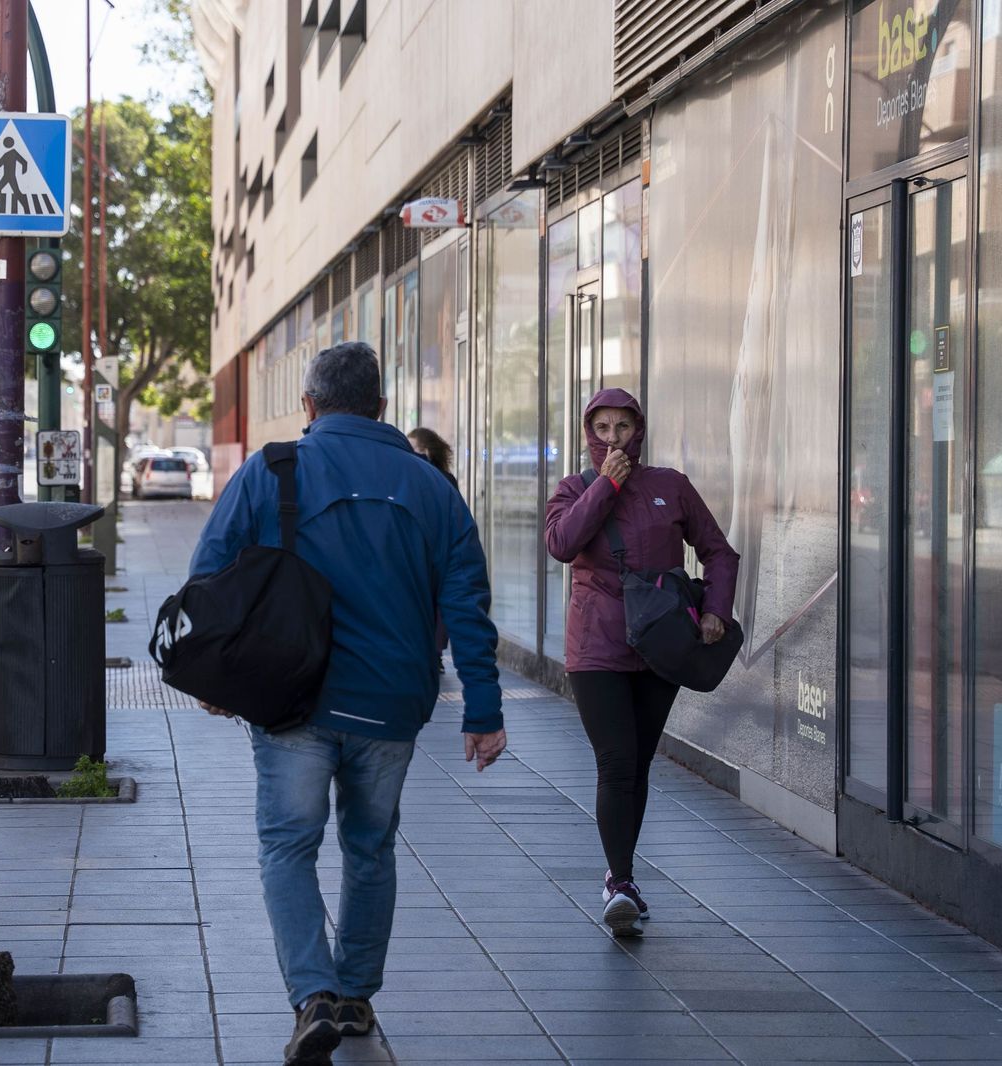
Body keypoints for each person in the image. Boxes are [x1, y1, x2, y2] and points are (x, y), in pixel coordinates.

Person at [192, 342, 507, 1066]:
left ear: (308, 404)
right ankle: (357, 996)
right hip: (391, 703)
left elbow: (209, 575)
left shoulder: (272, 470)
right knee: (370, 846)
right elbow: (468, 602)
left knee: (287, 846)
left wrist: (215, 678)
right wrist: (483, 711)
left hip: (290, 699)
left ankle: (313, 996)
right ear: (382, 407)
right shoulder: (431, 486)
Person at [544, 387, 739, 938]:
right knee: (615, 761)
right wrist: (606, 485)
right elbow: (562, 543)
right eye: (602, 428)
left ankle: (620, 876)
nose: (613, 438)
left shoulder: (670, 486)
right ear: (589, 433)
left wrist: (716, 610)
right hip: (596, 647)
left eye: (623, 427)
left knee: (639, 764)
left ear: (639, 430)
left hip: (661, 642)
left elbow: (719, 551)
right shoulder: (574, 488)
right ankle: (621, 882)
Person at [407, 427, 457, 671]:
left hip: (436, 553)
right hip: (421, 553)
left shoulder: (442, 479)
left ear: (426, 451)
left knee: (436, 605)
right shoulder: (412, 476)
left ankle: (434, 653)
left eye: (413, 448)